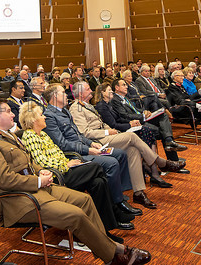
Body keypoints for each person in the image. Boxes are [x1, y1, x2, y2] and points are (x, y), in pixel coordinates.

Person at [0, 99, 151, 265]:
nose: (13, 115)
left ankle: (107, 247)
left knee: (85, 200)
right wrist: (38, 181)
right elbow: (5, 179)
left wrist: (40, 171)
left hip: (39, 189)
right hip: (20, 201)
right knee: (75, 215)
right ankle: (114, 255)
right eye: (8, 111)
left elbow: (29, 162)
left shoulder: (10, 137)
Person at [18, 101, 134, 234]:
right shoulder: (29, 137)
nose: (44, 117)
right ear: (33, 120)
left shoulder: (43, 134)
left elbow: (58, 154)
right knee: (97, 167)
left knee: (98, 182)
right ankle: (115, 211)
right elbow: (41, 163)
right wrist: (66, 164)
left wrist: (70, 163)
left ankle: (105, 227)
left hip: (66, 169)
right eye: (41, 115)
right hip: (56, 176)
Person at [41, 83, 143, 214]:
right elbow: (62, 144)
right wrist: (87, 150)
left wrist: (91, 143)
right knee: (111, 163)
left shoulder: (64, 111)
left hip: (83, 148)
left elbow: (79, 134)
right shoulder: (49, 116)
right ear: (54, 96)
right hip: (73, 155)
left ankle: (118, 195)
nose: (67, 94)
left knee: (120, 154)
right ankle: (117, 204)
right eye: (63, 92)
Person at [69, 82, 186, 190]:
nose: (91, 91)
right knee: (132, 136)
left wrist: (110, 129)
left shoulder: (87, 106)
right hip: (96, 141)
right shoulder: (76, 108)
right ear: (80, 93)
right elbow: (84, 132)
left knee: (133, 150)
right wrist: (107, 132)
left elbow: (101, 123)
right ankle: (161, 162)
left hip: (106, 136)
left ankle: (138, 191)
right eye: (88, 89)